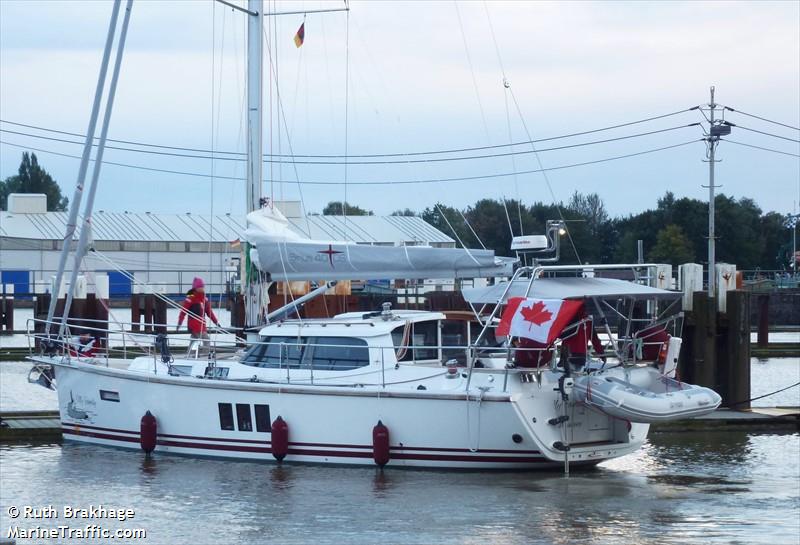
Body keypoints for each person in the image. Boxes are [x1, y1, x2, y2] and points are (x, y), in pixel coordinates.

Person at [177, 277, 220, 354]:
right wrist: (179, 322)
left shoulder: (204, 299)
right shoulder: (191, 298)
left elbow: (209, 312)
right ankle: (205, 355)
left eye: (202, 287)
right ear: (196, 288)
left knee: (194, 340)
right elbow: (183, 311)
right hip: (194, 324)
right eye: (200, 287)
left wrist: (216, 322)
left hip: (201, 324)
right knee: (206, 339)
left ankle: (190, 355)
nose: (202, 288)